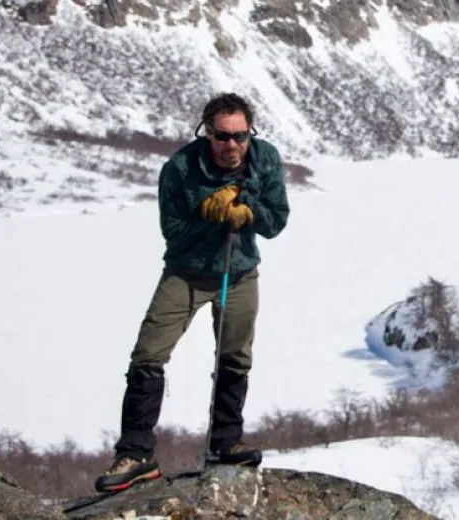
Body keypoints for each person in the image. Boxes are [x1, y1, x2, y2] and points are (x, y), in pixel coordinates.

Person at [94, 93, 290, 493]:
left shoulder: (265, 158)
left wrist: (248, 209)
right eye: (222, 136)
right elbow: (174, 234)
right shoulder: (180, 169)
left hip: (238, 273)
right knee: (148, 355)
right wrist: (210, 212)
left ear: (250, 134)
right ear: (207, 133)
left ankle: (225, 442)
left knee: (234, 358)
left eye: (240, 136)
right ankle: (135, 453)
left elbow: (276, 221)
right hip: (186, 274)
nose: (232, 145)